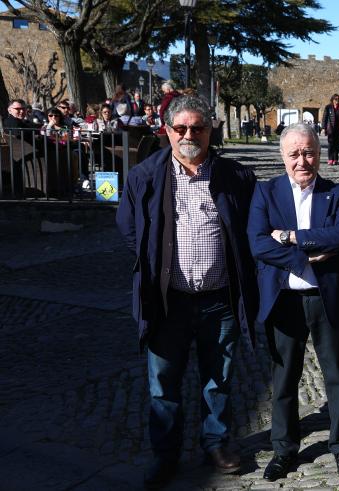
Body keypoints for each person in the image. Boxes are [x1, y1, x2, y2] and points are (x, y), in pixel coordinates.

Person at [115, 95, 259, 489]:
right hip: (167, 300)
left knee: (220, 379)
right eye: (181, 128)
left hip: (220, 300)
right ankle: (166, 455)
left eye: (199, 127)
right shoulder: (144, 176)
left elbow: (249, 231)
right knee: (163, 385)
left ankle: (216, 442)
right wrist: (157, 267)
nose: (190, 134)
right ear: (167, 130)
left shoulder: (236, 178)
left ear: (211, 131)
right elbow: (130, 230)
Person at [247, 123, 339, 481]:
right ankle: (284, 449)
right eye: (294, 154)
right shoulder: (266, 193)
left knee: (337, 378)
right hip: (284, 300)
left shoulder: (337, 192)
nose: (302, 160)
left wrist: (292, 237)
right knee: (284, 381)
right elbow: (258, 243)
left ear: (319, 152)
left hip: (327, 298)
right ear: (283, 156)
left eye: (309, 152)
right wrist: (305, 256)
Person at [321, 94, 339, 166]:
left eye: (338, 99)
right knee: (331, 144)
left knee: (337, 145)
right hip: (330, 128)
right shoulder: (328, 107)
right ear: (332, 99)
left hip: (338, 129)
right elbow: (324, 118)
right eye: (335, 99)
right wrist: (323, 128)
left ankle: (335, 159)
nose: (337, 100)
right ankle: (330, 159)